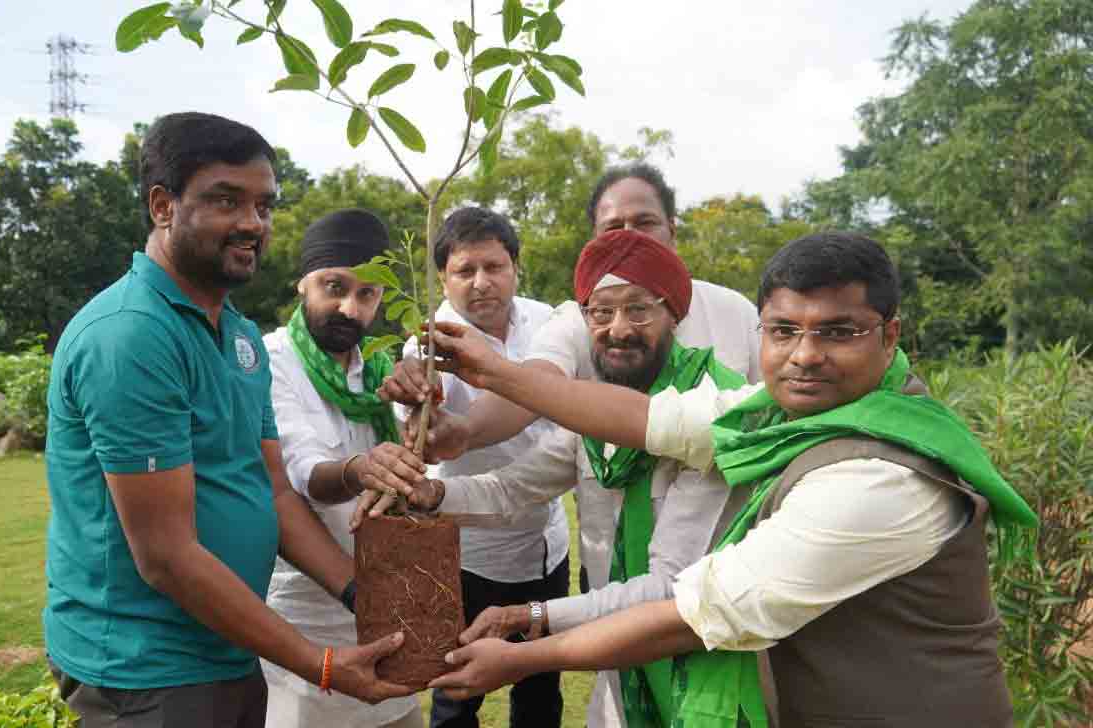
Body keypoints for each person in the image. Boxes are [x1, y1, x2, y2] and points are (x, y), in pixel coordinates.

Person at [383, 232, 1037, 727]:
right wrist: (483, 378)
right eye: (785, 331)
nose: (806, 355)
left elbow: (697, 609)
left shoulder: (879, 476)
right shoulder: (768, 415)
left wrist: (528, 647)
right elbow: (647, 422)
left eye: (837, 333)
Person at [43, 113, 412, 728]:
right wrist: (316, 662)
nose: (252, 223)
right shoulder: (132, 336)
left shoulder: (237, 335)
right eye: (225, 200)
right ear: (163, 206)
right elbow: (165, 555)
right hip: (148, 668)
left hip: (229, 643)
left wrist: (359, 594)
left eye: (264, 205)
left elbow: (272, 491)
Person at [380, 163, 762, 727]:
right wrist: (431, 494)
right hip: (611, 621)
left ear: (674, 313)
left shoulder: (707, 410)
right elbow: (522, 482)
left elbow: (665, 589)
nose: (618, 329)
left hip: (699, 644)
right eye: (601, 314)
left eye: (639, 309)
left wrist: (530, 618)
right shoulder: (593, 400)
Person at [398, 207, 571, 728]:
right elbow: (423, 435)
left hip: (547, 546)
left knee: (541, 684)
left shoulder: (551, 324)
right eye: (464, 271)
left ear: (516, 267)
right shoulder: (427, 349)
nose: (481, 283)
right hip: (466, 552)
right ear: (442, 278)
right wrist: (419, 417)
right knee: (457, 690)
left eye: (494, 267)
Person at [261, 208, 427, 728]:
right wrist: (359, 469)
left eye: (366, 295)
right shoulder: (271, 362)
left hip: (388, 609)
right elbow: (303, 474)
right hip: (305, 625)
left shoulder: (381, 368)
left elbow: (422, 464)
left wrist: (424, 411)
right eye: (334, 287)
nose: (348, 308)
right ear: (302, 285)